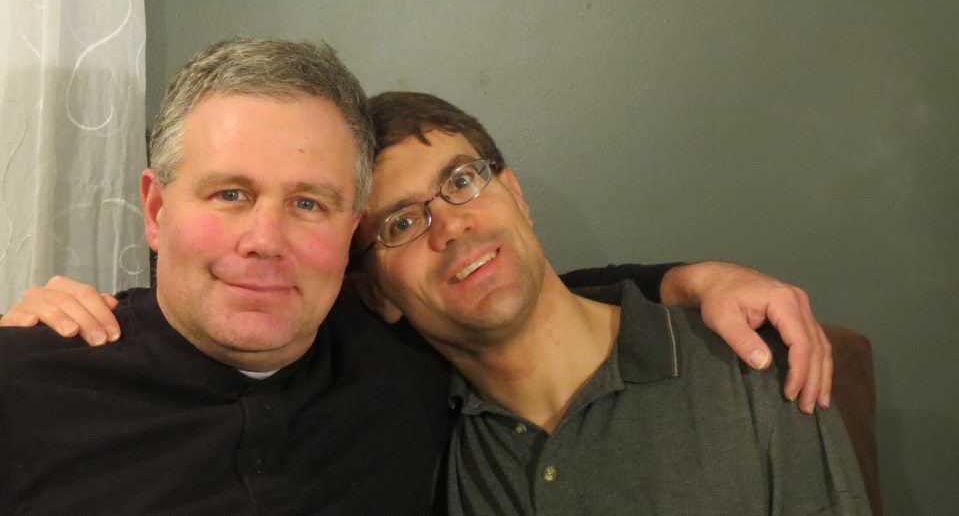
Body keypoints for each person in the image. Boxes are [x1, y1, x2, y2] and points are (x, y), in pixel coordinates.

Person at [1, 39, 832, 512]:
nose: (264, 240)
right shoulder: (29, 385)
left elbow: (506, 296)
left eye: (309, 203)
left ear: (348, 247)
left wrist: (686, 279)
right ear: (155, 210)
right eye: (230, 194)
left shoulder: (397, 367)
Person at [343, 91, 870, 513]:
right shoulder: (415, 451)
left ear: (516, 195)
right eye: (402, 223)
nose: (453, 226)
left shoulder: (746, 367)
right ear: (375, 293)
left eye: (462, 180)